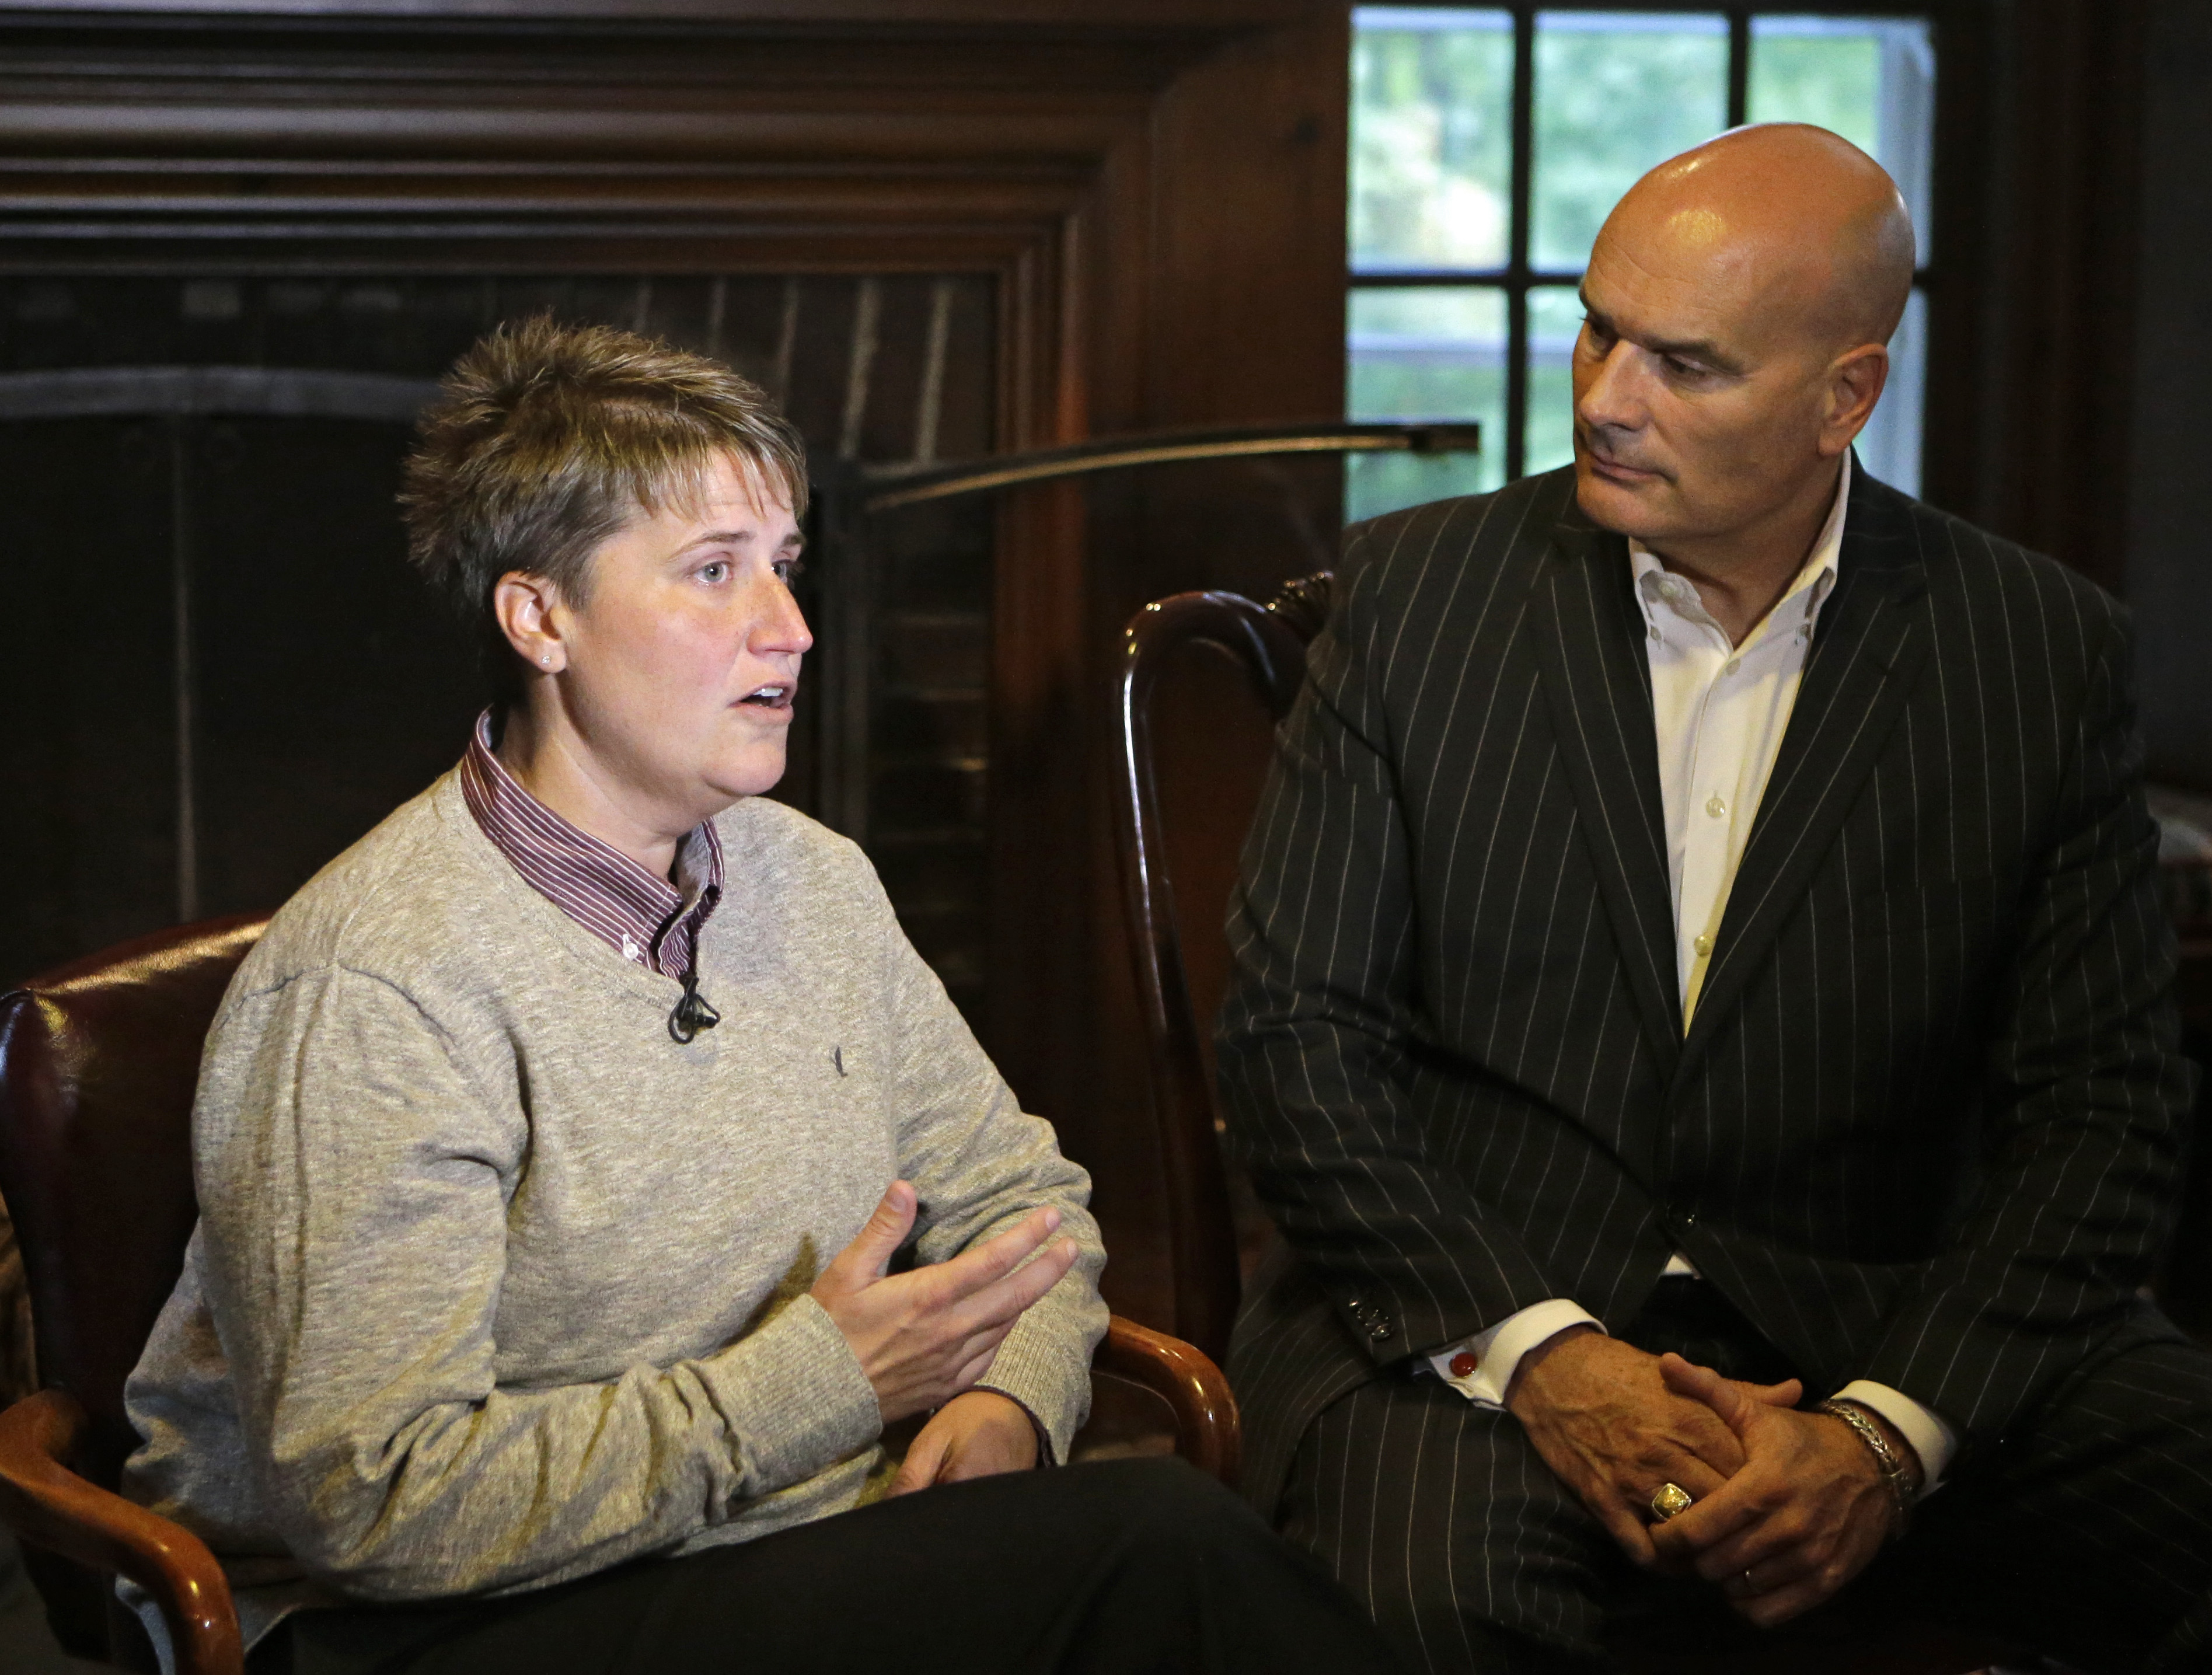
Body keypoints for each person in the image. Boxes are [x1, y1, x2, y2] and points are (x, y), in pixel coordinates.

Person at [121, 318, 1402, 1675]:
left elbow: (1024, 1203)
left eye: (784, 567)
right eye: (714, 573)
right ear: (538, 616)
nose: (788, 629)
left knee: (1148, 1558)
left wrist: (1016, 1401)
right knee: (1162, 1547)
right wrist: (828, 1382)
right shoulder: (378, 986)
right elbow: (374, 1502)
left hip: (787, 1541)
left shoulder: (811, 879)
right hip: (436, 1622)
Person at [1217, 123, 2212, 1673]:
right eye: (1595, 326)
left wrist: (1882, 1435)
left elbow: (2103, 1113)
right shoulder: (1413, 598)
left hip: (1873, 1311)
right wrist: (1548, 1356)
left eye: (1683, 363)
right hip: (1473, 1314)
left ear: (1842, 394)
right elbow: (1293, 1038)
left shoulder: (2031, 651)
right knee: (1422, 1594)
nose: (1601, 397)